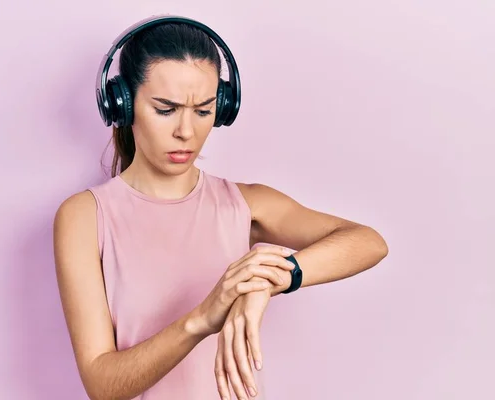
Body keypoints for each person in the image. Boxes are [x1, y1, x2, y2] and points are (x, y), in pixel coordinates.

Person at [53, 15, 389, 400]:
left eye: (203, 110)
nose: (186, 131)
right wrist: (201, 319)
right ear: (124, 106)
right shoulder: (84, 216)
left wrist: (268, 281)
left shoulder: (245, 203)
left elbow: (369, 242)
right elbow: (102, 384)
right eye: (165, 109)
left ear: (223, 108)